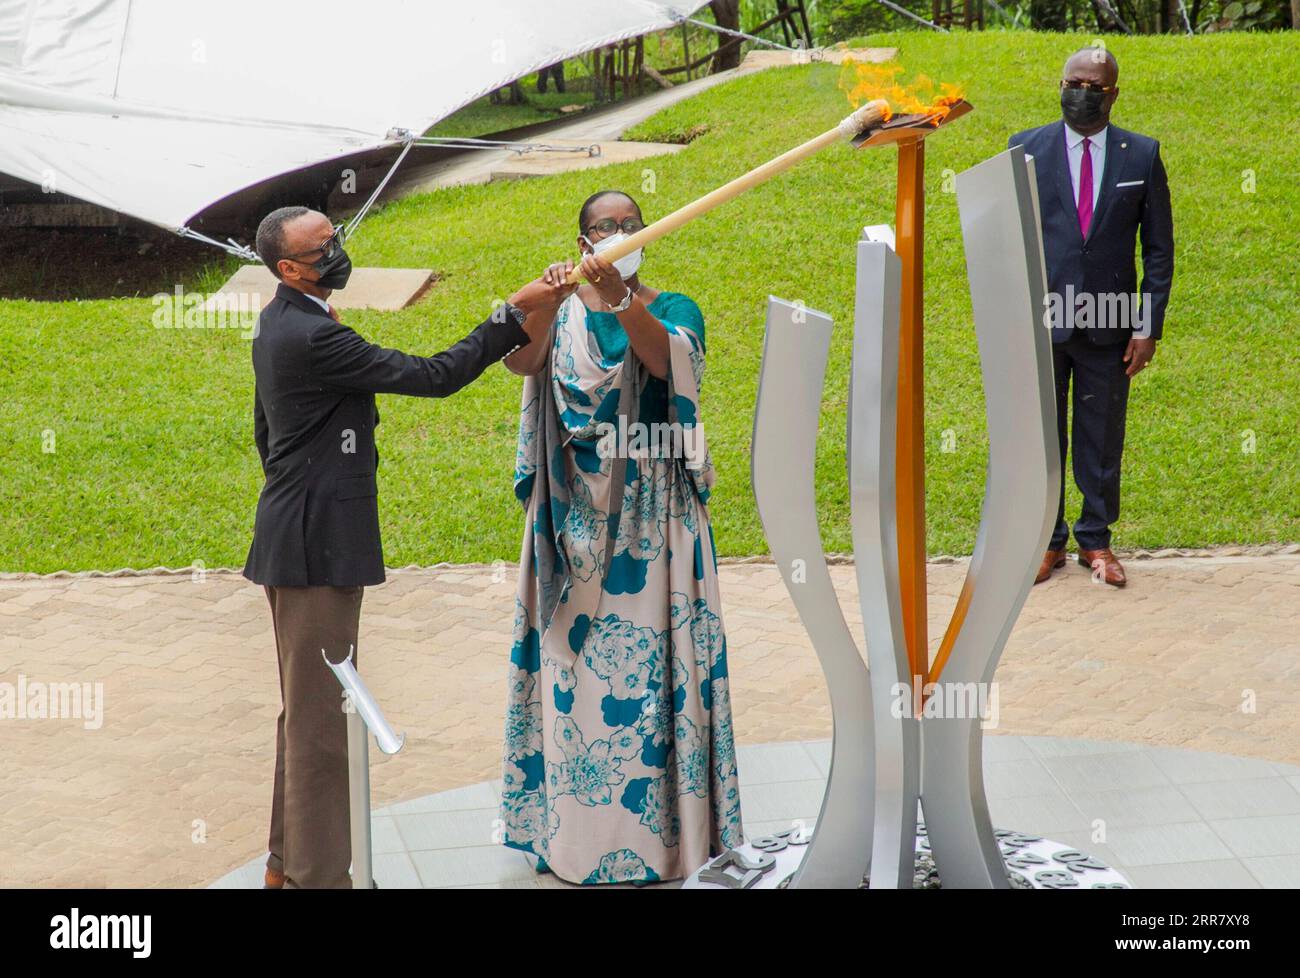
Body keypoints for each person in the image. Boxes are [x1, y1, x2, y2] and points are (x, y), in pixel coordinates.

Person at [244, 206, 565, 888]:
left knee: (306, 714)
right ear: (288, 269)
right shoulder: (310, 336)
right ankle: (317, 879)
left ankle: (284, 866)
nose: (336, 250)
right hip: (315, 549)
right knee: (323, 724)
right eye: (320, 246)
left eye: (336, 237)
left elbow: (266, 434)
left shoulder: (284, 320)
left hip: (297, 535)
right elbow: (435, 374)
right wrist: (512, 311)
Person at [497, 189, 743, 884]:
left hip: (654, 521)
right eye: (603, 227)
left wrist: (619, 299)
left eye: (630, 224)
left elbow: (667, 364)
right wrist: (545, 302)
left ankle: (671, 843)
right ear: (582, 241)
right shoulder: (564, 308)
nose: (619, 233)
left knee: (660, 678)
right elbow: (521, 363)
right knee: (575, 685)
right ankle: (573, 841)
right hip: (571, 518)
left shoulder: (672, 307)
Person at [1010, 47, 1173, 588]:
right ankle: (1048, 541)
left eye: (1094, 86)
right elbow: (1010, 240)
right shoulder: (1025, 150)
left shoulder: (1141, 156)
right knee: (1043, 435)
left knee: (1101, 435)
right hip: (1045, 318)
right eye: (1073, 82)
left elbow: (1157, 250)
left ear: (1114, 93)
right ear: (1060, 85)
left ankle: (1096, 542)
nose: (1082, 92)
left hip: (1111, 320)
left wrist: (1147, 325)